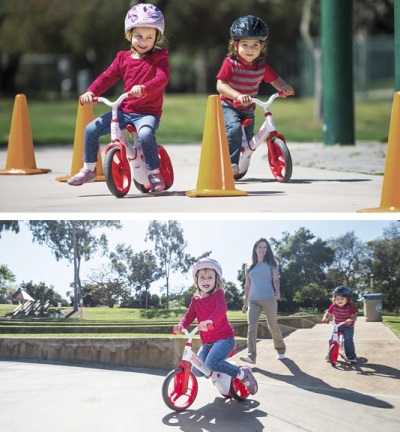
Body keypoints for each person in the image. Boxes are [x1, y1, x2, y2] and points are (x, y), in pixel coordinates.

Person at [67, 3, 169, 192]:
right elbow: (107, 77)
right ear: (129, 34)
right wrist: (91, 92)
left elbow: (162, 78)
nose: (143, 41)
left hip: (148, 112)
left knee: (146, 134)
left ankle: (154, 172)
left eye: (149, 37)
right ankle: (89, 169)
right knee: (91, 129)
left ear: (157, 37)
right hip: (125, 110)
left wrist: (145, 88)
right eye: (138, 36)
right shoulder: (123, 58)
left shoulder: (159, 57)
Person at [216, 15, 294, 175]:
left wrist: (284, 86)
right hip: (230, 106)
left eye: (255, 45)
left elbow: (275, 80)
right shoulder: (230, 63)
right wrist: (237, 95)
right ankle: (231, 163)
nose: (250, 50)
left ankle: (242, 161)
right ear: (235, 45)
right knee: (235, 129)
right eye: (245, 45)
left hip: (248, 108)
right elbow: (220, 85)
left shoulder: (261, 66)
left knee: (250, 139)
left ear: (262, 46)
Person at [173, 258, 258, 395]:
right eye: (202, 277)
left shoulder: (218, 295)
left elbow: (221, 310)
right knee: (197, 370)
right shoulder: (195, 301)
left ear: (216, 279)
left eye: (210, 277)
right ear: (196, 280)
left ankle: (243, 374)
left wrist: (210, 321)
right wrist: (181, 325)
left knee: (211, 363)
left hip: (224, 339)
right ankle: (220, 375)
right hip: (207, 342)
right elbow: (188, 315)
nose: (205, 281)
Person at [240, 238, 286, 364]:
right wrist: (245, 303)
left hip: (269, 298)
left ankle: (280, 349)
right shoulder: (249, 267)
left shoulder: (272, 263)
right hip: (253, 300)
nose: (262, 249)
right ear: (255, 249)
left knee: (273, 325)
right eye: (259, 247)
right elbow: (247, 285)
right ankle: (251, 355)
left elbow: (276, 279)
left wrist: (277, 290)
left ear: (267, 249)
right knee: (252, 327)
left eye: (264, 247)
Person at [321, 286, 357, 363]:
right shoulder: (333, 306)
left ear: (347, 299)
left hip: (348, 326)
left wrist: (351, 320)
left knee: (348, 340)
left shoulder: (350, 307)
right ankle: (330, 353)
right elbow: (327, 313)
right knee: (332, 339)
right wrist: (325, 318)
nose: (339, 301)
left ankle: (351, 356)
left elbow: (354, 316)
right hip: (337, 326)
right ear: (334, 299)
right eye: (337, 299)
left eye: (342, 299)